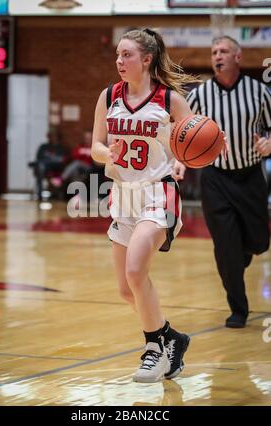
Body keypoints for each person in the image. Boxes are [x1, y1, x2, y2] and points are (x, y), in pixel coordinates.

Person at [91, 28, 204, 383]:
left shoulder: (169, 100)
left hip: (158, 194)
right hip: (122, 196)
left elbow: (192, 139)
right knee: (127, 290)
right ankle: (173, 339)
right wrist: (105, 152)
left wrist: (186, 160)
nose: (119, 61)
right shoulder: (109, 95)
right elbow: (95, 145)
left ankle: (154, 351)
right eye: (118, 56)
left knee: (136, 272)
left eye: (126, 55)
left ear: (146, 59)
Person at [187, 36, 271, 328]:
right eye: (213, 52)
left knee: (259, 242)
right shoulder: (199, 95)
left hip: (250, 176)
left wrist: (269, 143)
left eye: (223, 51)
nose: (217, 56)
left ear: (238, 57)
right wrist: (177, 160)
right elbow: (182, 132)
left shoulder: (260, 92)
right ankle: (238, 308)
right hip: (215, 178)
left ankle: (242, 254)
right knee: (225, 247)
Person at [30, 127, 67, 201]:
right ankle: (39, 194)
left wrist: (49, 160)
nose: (53, 137)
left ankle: (42, 192)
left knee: (41, 166)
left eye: (54, 135)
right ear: (48, 136)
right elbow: (39, 158)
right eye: (51, 135)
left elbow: (61, 161)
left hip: (55, 168)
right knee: (40, 167)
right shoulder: (43, 146)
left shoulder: (61, 148)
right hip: (43, 168)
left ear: (58, 137)